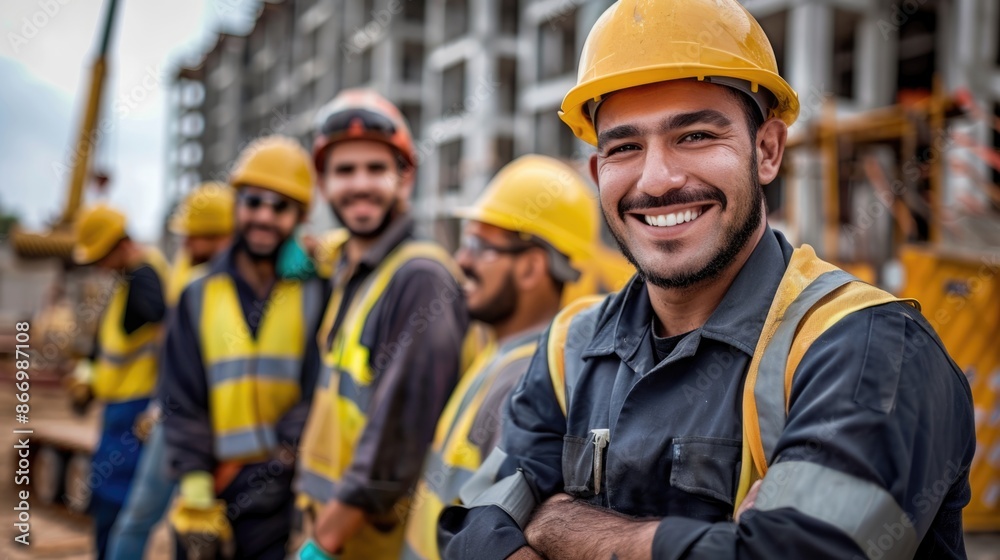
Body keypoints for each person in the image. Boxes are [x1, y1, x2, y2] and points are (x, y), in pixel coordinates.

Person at [438, 1, 976, 559]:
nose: (658, 179)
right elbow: (472, 530)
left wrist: (559, 526)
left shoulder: (870, 349)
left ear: (766, 151)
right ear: (599, 173)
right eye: (625, 147)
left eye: (694, 135)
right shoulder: (568, 350)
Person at [293, 88, 470, 560]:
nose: (360, 185)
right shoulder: (355, 270)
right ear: (324, 184)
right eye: (344, 171)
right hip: (336, 527)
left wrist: (321, 543)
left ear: (405, 179)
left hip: (367, 540)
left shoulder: (420, 279)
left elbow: (395, 440)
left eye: (376, 169)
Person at [402, 155, 603, 560]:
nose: (462, 260)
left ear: (530, 268)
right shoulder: (499, 352)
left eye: (480, 246)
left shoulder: (523, 379)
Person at [161, 136, 326, 559]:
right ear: (236, 206)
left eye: (280, 207)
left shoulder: (317, 293)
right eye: (253, 202)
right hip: (212, 482)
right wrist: (194, 482)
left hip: (280, 488)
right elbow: (181, 396)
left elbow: (320, 387)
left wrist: (285, 452)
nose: (264, 217)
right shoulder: (197, 295)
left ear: (300, 217)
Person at [106, 183, 235, 560]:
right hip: (180, 415)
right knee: (145, 516)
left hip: (216, 421)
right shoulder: (189, 276)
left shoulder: (232, 285)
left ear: (220, 236)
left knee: (193, 527)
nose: (187, 244)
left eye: (194, 237)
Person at [70, 203, 169, 560]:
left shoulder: (143, 276)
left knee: (114, 497)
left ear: (120, 246)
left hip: (134, 408)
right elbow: (106, 345)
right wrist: (88, 379)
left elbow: (160, 319)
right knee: (108, 497)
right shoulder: (127, 279)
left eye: (100, 256)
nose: (97, 265)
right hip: (118, 406)